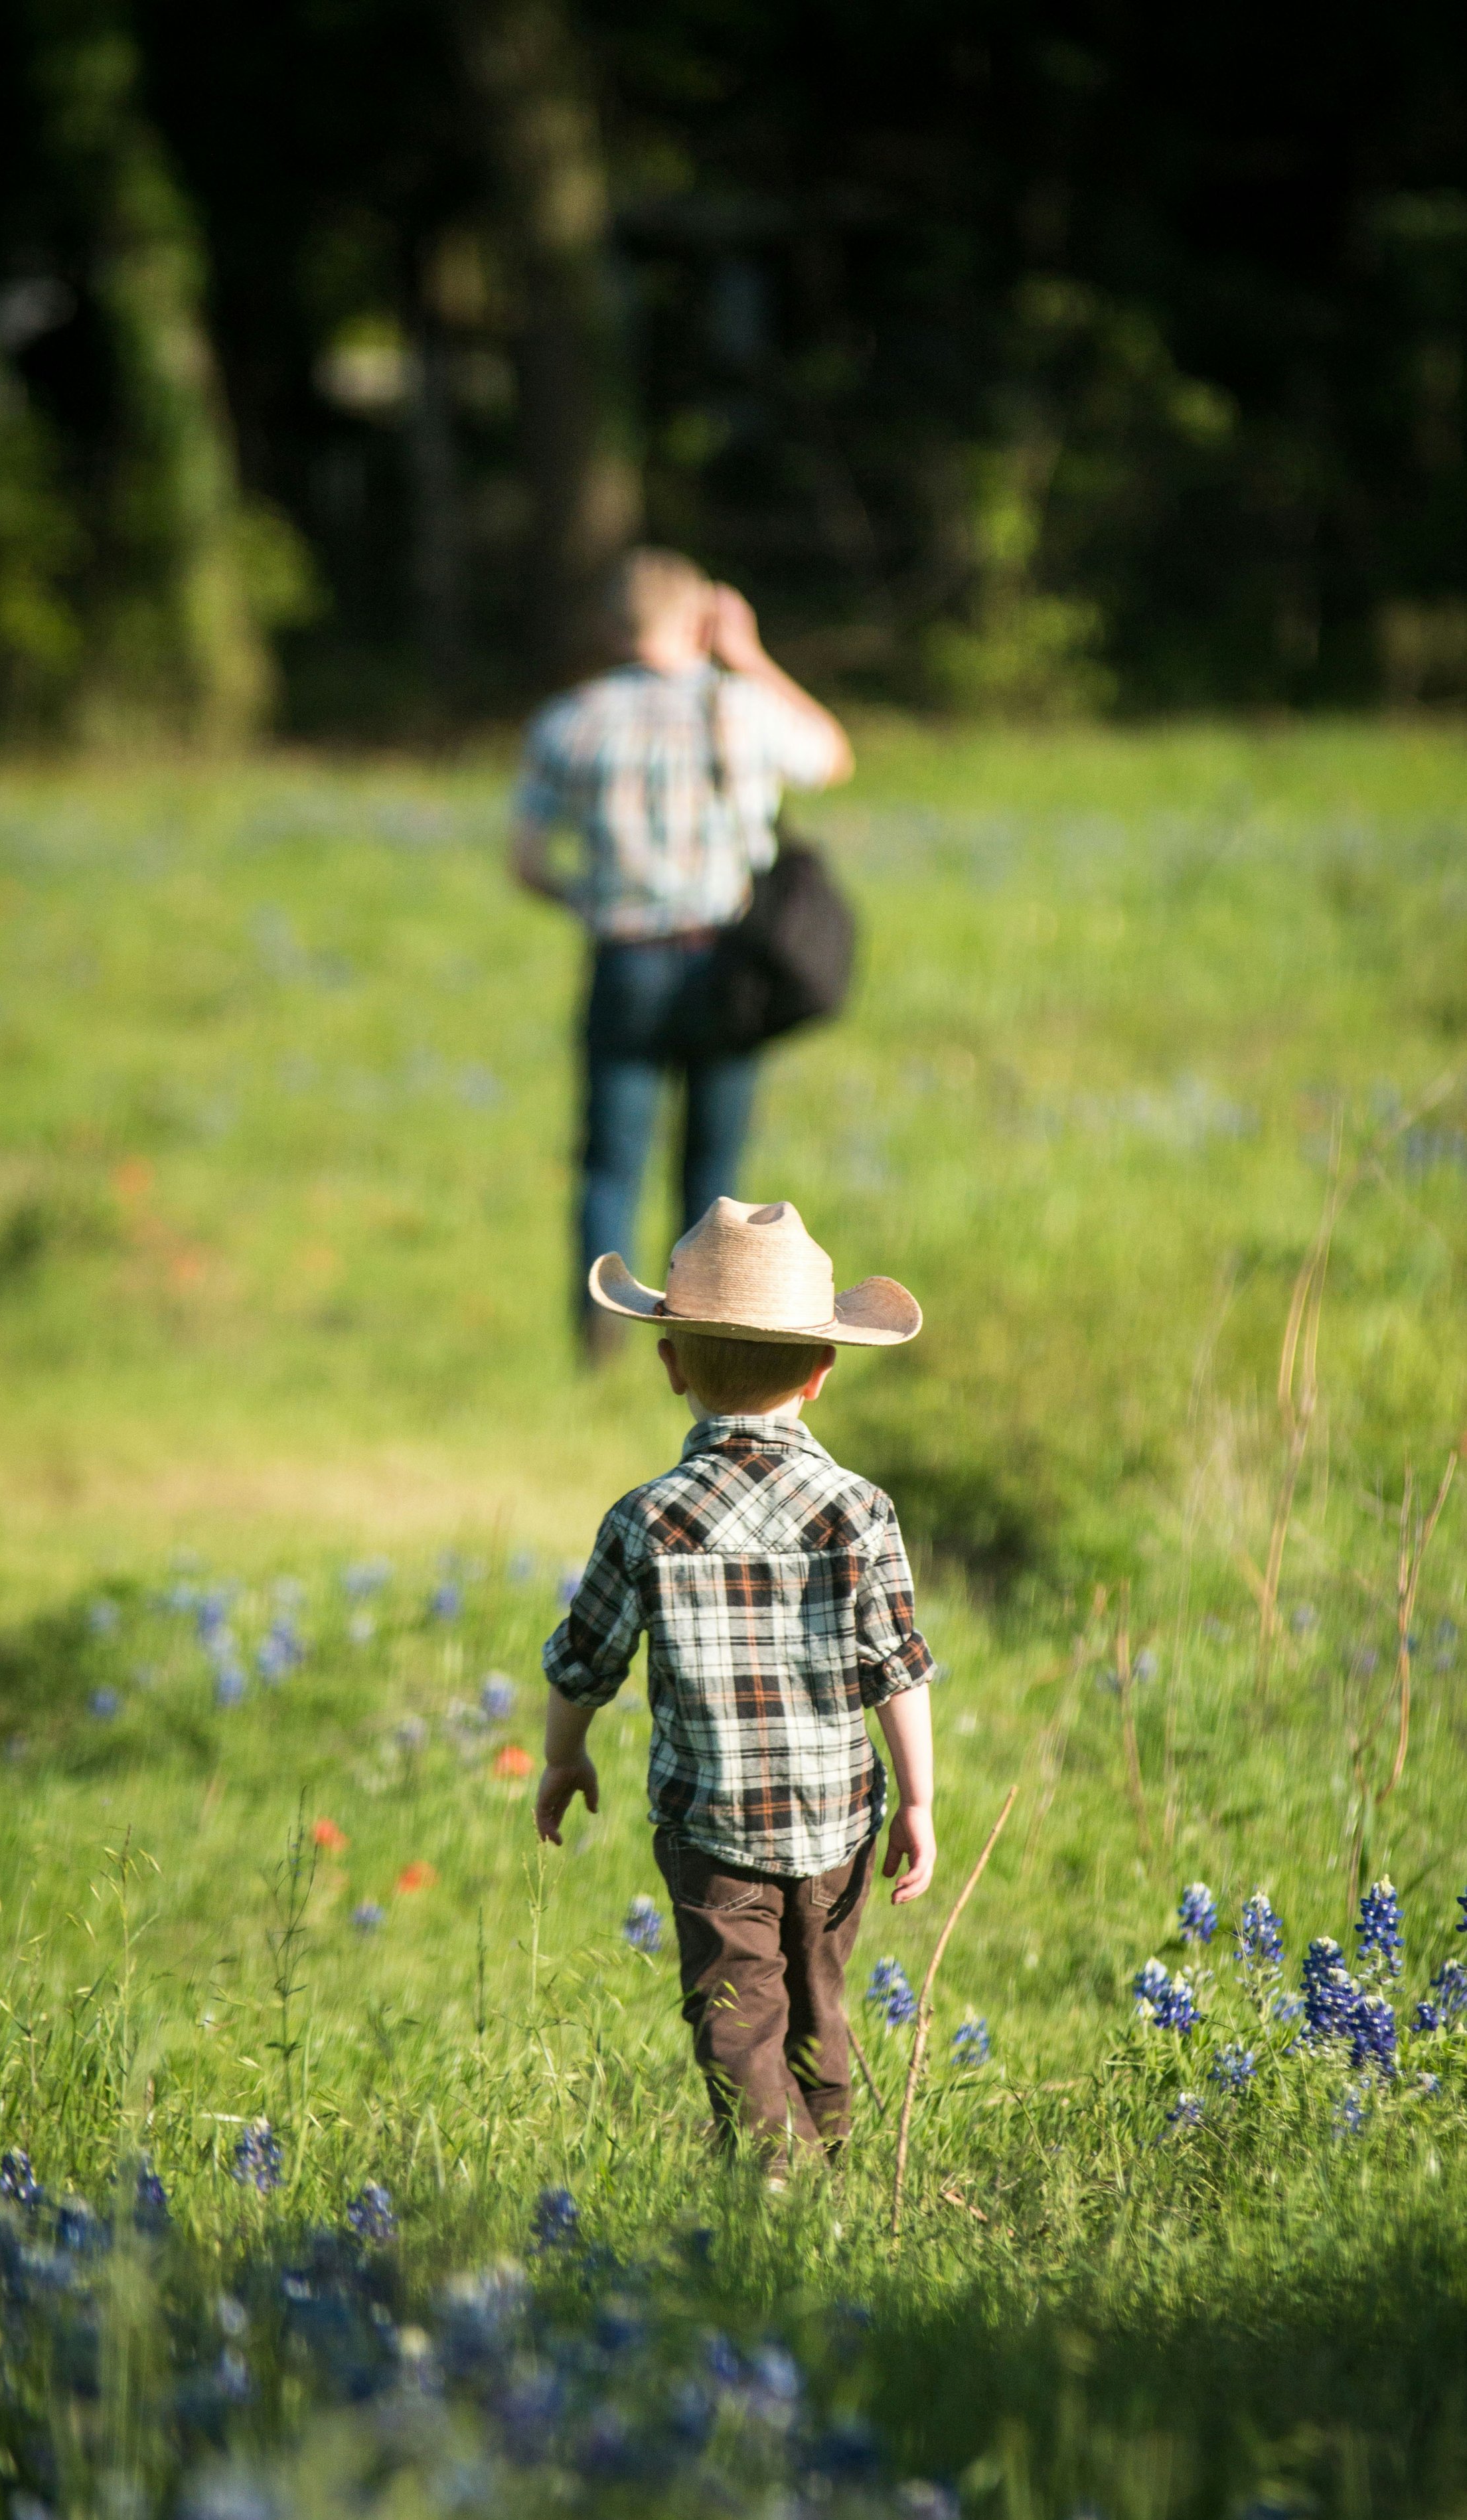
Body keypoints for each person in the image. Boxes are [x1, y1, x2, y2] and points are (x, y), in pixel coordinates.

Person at [533, 1195, 937, 2166]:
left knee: (734, 2010)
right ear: (824, 1372)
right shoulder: (860, 1510)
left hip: (712, 1825)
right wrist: (920, 1798)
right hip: (836, 1818)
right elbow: (899, 1668)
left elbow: (584, 1662)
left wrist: (563, 1758)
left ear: (670, 1363)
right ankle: (820, 2162)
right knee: (818, 2001)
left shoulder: (646, 1517)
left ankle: (774, 2173)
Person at [510, 548, 854, 1364]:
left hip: (624, 959)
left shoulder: (569, 722)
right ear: (700, 618)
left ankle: (596, 1335)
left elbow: (526, 864)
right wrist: (751, 654)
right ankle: (708, 1336)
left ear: (611, 626)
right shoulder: (743, 708)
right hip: (725, 966)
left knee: (607, 1162)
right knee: (715, 1168)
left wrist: (590, 904)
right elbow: (833, 756)